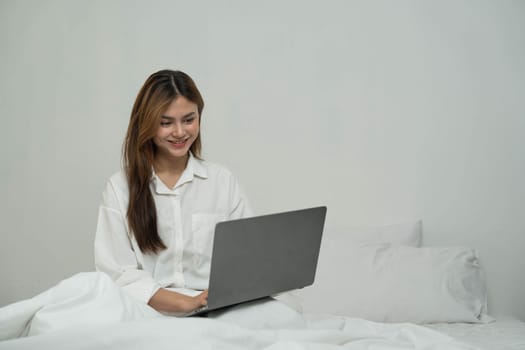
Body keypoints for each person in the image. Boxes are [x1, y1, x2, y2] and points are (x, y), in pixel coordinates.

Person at [94, 70, 253, 314]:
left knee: (282, 313)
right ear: (146, 124)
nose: (179, 132)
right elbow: (118, 274)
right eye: (166, 123)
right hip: (147, 310)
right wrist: (187, 303)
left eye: (189, 120)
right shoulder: (120, 188)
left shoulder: (222, 181)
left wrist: (213, 299)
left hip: (216, 307)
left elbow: (246, 256)